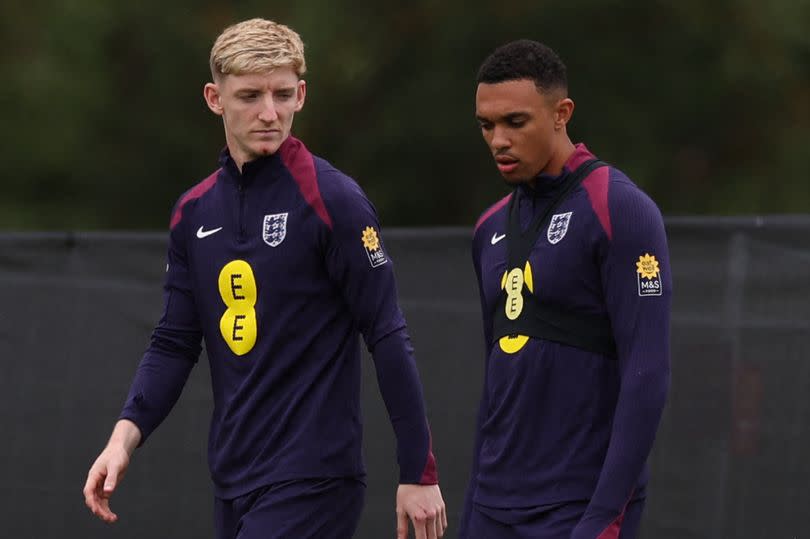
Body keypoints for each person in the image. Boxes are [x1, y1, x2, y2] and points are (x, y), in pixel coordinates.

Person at [83, 18, 447, 539]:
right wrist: (121, 441)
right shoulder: (193, 211)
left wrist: (419, 471)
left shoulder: (333, 199)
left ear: (301, 94)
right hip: (233, 477)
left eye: (282, 94)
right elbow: (174, 342)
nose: (269, 112)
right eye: (250, 95)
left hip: (313, 478)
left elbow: (387, 333)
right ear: (215, 98)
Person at [460, 40, 671, 538]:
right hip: (494, 506)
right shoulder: (488, 229)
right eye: (486, 126)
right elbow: (497, 385)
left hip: (577, 505)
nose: (498, 140)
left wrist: (604, 517)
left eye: (515, 122)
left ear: (562, 113)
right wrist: (473, 509)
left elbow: (648, 372)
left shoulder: (619, 209)